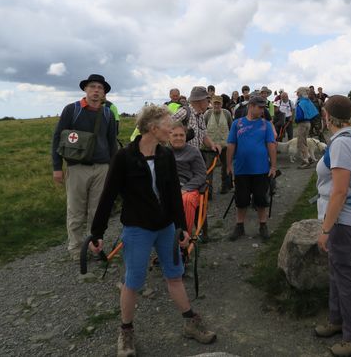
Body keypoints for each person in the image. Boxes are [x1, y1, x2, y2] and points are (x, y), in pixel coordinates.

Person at [90, 105, 217, 357]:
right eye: (167, 124)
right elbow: (108, 196)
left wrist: (181, 227)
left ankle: (191, 323)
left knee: (174, 275)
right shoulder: (124, 157)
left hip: (166, 227)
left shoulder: (165, 155)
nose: (172, 128)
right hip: (137, 229)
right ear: (152, 127)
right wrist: (97, 232)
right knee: (132, 281)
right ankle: (126, 333)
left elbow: (172, 195)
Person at [314, 95, 351, 357]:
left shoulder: (340, 145)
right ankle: (337, 320)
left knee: (346, 277)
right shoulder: (350, 139)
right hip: (346, 217)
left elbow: (339, 191)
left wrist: (326, 229)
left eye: (324, 113)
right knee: (338, 271)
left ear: (328, 116)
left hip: (344, 219)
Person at [51, 73, 117, 260]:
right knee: (76, 210)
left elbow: (111, 142)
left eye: (100, 88)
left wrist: (113, 168)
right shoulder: (72, 110)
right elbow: (57, 138)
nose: (96, 91)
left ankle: (95, 246)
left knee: (98, 211)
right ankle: (76, 249)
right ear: (85, 89)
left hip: (102, 168)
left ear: (104, 93)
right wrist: (57, 167)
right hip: (77, 167)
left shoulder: (107, 113)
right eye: (92, 87)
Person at [226, 95, 277, 241]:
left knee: (261, 198)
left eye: (263, 108)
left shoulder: (265, 124)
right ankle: (239, 226)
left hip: (261, 169)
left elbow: (271, 145)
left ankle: (263, 225)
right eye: (260, 107)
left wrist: (273, 166)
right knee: (241, 199)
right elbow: (231, 144)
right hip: (241, 168)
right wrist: (228, 164)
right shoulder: (237, 123)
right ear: (251, 106)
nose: (262, 110)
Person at [172, 86, 222, 154]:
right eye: (208, 101)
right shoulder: (184, 112)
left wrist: (213, 145)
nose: (209, 104)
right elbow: (166, 128)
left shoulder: (201, 116)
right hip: (182, 157)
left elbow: (204, 135)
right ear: (200, 101)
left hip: (195, 155)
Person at [203, 95, 233, 194]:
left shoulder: (227, 113)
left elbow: (231, 127)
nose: (216, 105)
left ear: (222, 104)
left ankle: (226, 186)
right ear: (211, 103)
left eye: (218, 103)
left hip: (225, 145)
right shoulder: (207, 114)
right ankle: (209, 191)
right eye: (214, 103)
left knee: (226, 166)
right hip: (210, 146)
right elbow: (204, 129)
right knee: (209, 169)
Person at [294, 86, 319, 168]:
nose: (296, 94)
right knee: (304, 141)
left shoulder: (300, 102)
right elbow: (313, 113)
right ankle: (309, 158)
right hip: (308, 123)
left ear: (300, 93)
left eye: (297, 92)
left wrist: (296, 120)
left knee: (301, 143)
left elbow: (299, 116)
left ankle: (306, 161)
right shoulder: (307, 101)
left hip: (302, 124)